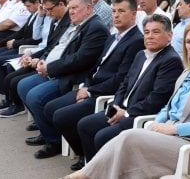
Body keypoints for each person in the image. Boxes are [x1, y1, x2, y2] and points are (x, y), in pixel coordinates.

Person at [64, 19, 190, 179]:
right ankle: (87, 175)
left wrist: (174, 129)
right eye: (188, 42)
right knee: (126, 138)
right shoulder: (189, 72)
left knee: (129, 138)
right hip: (175, 139)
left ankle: (85, 175)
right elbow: (168, 107)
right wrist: (158, 123)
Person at [47, 0, 144, 169]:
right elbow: (96, 65)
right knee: (52, 108)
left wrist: (90, 91)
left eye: (121, 11)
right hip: (92, 86)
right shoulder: (114, 36)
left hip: (104, 93)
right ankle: (83, 153)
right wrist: (86, 84)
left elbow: (120, 79)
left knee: (61, 116)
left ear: (133, 14)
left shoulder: (136, 40)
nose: (115, 15)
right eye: (114, 11)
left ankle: (88, 158)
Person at [76, 14, 183, 162]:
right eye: (147, 32)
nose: (150, 36)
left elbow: (156, 99)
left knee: (102, 136)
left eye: (156, 32)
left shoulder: (171, 61)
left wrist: (126, 113)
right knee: (85, 125)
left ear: (170, 35)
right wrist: (116, 104)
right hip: (121, 109)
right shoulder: (141, 55)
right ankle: (93, 170)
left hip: (138, 116)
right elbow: (125, 84)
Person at [17, 0, 110, 159]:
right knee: (22, 85)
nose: (71, 12)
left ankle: (53, 141)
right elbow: (58, 47)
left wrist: (50, 68)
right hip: (56, 69)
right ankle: (47, 133)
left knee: (35, 96)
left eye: (75, 8)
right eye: (70, 8)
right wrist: (43, 61)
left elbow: (80, 60)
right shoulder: (78, 24)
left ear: (89, 8)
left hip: (72, 76)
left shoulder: (96, 28)